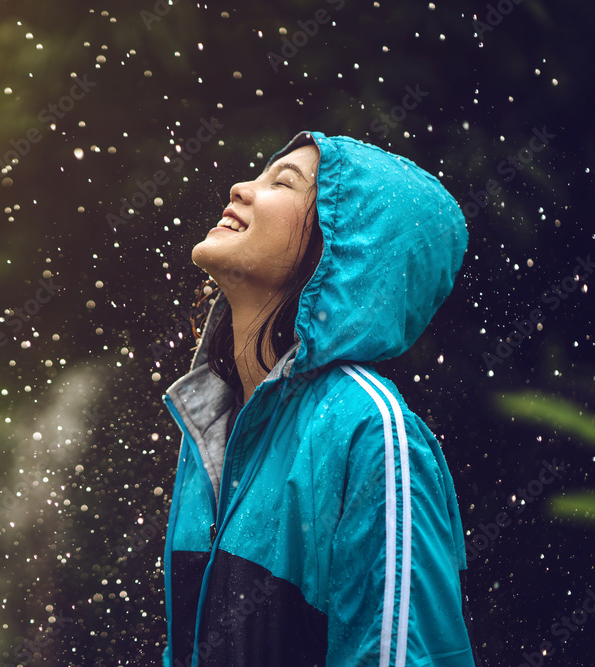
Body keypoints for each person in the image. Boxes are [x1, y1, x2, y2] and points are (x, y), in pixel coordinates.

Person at [161, 131, 480, 666]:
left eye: (282, 182)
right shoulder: (215, 422)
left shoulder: (370, 432)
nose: (240, 188)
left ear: (345, 248)